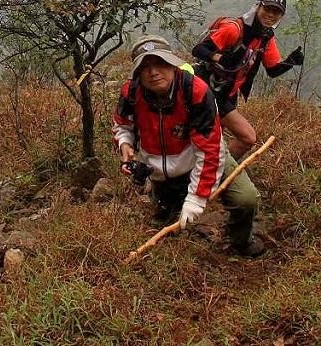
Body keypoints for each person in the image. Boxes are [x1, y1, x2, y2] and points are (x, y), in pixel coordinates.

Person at [112, 35, 265, 257]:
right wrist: (125, 144)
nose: (153, 72)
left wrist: (197, 198)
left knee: (246, 200)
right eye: (145, 67)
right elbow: (122, 124)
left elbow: (209, 150)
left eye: (160, 63)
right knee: (168, 224)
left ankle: (240, 241)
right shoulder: (131, 93)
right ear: (137, 72)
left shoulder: (195, 91)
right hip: (161, 172)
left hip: (201, 156)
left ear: (172, 64)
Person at [192, 0, 304, 157]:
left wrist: (291, 61)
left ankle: (213, 167)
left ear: (281, 16)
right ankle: (218, 168)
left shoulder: (266, 37)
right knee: (247, 138)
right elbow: (199, 49)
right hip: (209, 89)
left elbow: (272, 70)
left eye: (276, 12)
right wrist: (220, 58)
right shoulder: (235, 29)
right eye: (267, 9)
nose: (270, 15)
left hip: (228, 93)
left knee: (211, 139)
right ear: (258, 7)